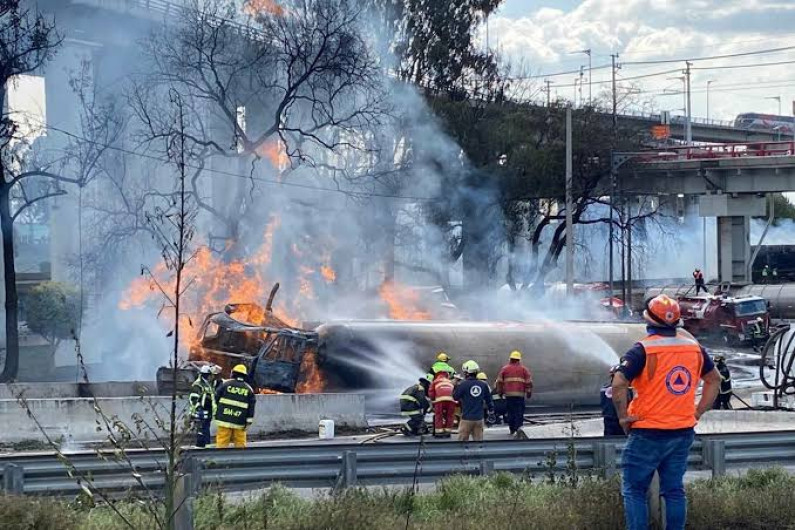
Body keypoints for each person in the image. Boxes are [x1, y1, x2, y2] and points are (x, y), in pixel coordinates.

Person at [612, 294, 721, 530]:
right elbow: (715, 380)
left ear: (649, 321)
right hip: (682, 431)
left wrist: (622, 417)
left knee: (634, 489)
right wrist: (698, 412)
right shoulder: (695, 349)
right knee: (673, 490)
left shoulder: (643, 349)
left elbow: (618, 383)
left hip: (647, 431)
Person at [214, 364, 257, 449]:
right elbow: (251, 407)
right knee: (240, 443)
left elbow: (215, 398)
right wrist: (248, 421)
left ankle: (220, 459)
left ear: (233, 373)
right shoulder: (248, 389)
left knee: (222, 442)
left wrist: (216, 413)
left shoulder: (225, 384)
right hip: (239, 421)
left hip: (224, 419)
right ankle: (240, 460)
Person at [453, 361, 495, 442]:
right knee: (478, 443)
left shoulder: (463, 385)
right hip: (479, 419)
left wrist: (455, 385)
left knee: (462, 444)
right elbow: (489, 401)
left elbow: (455, 397)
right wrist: (492, 412)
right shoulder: (483, 385)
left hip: (466, 419)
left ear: (467, 373)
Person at [496, 350, 533, 437]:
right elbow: (529, 382)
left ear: (510, 359)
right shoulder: (524, 369)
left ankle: (512, 429)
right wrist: (529, 392)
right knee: (519, 412)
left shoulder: (504, 369)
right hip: (520, 396)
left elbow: (499, 382)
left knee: (510, 413)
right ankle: (518, 429)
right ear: (519, 360)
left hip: (509, 396)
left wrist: (500, 392)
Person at [189, 364, 217, 448]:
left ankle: (205, 448)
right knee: (202, 433)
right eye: (211, 375)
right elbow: (193, 398)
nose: (213, 376)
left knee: (205, 431)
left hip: (207, 413)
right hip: (200, 414)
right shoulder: (198, 385)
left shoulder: (208, 384)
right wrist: (199, 408)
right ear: (207, 375)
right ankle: (202, 450)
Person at [600, 365, 632, 437]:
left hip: (608, 419)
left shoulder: (603, 389)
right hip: (620, 418)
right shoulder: (625, 390)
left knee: (609, 440)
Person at [428, 370, 456, 438]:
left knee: (439, 415)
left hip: (440, 400)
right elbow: (454, 391)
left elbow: (431, 392)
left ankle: (439, 431)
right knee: (450, 415)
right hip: (451, 400)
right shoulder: (449, 381)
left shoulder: (435, 381)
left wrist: (433, 400)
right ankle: (448, 430)